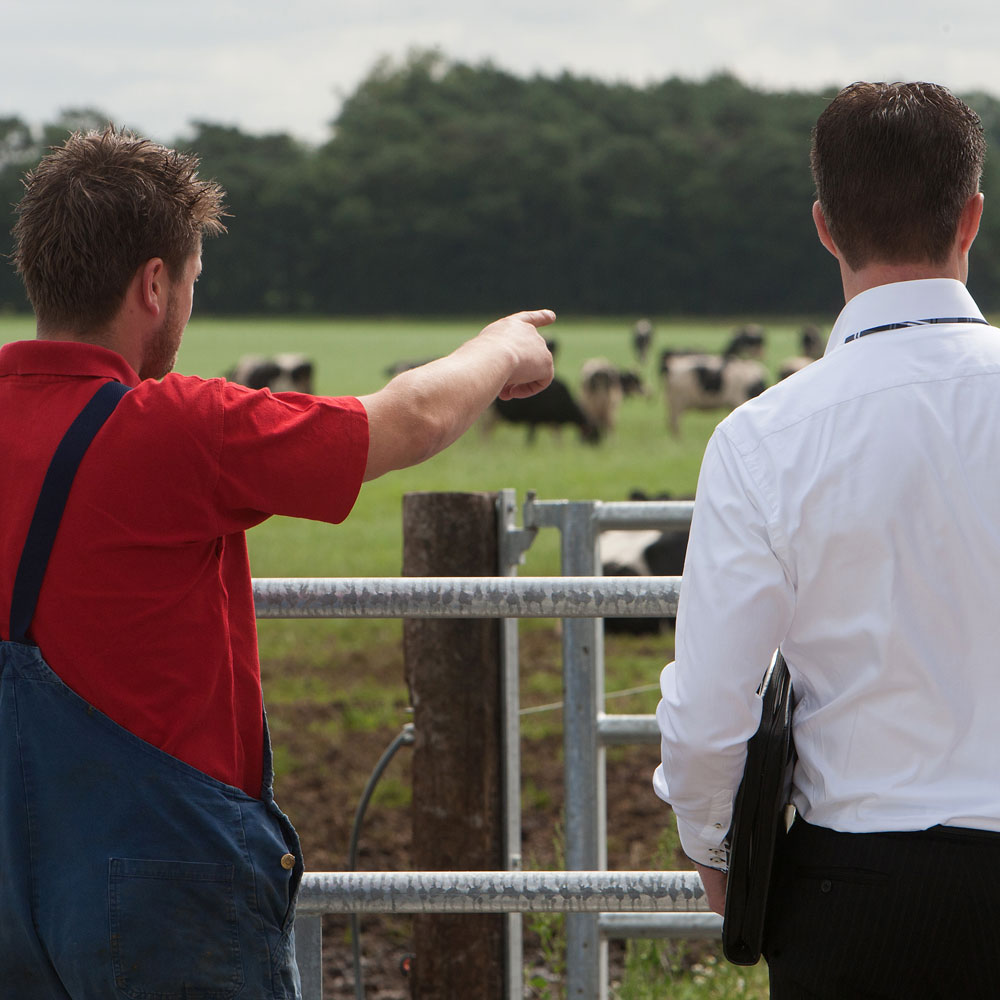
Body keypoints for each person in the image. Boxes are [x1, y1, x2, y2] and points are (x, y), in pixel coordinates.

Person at [0, 127, 555, 999]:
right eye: (189, 283)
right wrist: (503, 349)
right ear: (154, 284)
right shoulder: (173, 428)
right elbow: (405, 419)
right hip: (162, 892)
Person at [653, 81, 1000, 998]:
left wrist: (717, 849)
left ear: (823, 226)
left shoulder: (763, 436)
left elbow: (711, 707)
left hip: (858, 892)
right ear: (971, 215)